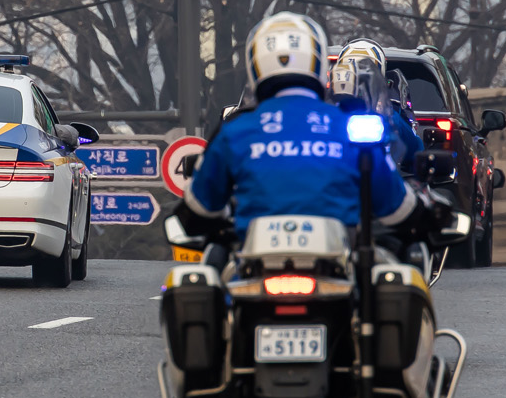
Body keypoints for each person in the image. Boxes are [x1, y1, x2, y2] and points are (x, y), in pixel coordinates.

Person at [176, 13, 421, 241]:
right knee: (399, 277)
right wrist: (428, 215)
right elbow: (397, 205)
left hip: (253, 262)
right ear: (320, 66)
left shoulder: (237, 129)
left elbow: (200, 206)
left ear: (255, 66)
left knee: (204, 271)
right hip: (339, 257)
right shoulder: (347, 126)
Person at [329, 38, 424, 169]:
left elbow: (415, 150)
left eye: (366, 77)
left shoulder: (389, 116)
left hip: (379, 177)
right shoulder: (326, 113)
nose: (359, 85)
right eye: (352, 75)